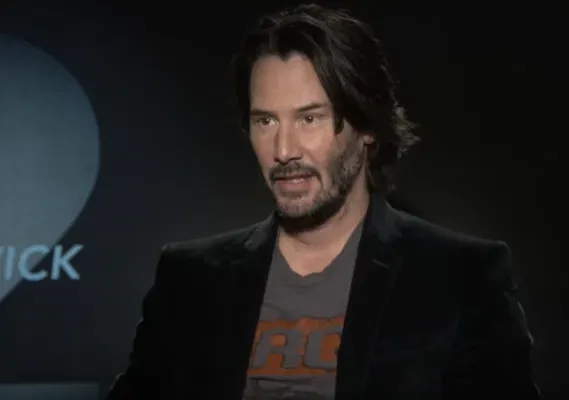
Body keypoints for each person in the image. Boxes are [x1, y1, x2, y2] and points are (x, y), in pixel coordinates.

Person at [106, 3, 540, 399]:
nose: (283, 150)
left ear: (366, 128)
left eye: (309, 118)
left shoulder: (460, 278)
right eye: (265, 121)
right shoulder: (190, 281)